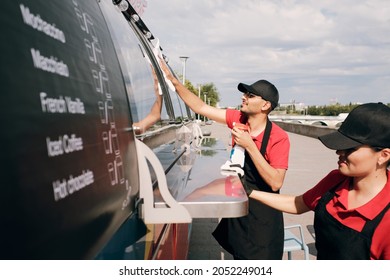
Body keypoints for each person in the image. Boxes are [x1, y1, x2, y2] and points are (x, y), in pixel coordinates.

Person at [160, 60, 290, 259]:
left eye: (250, 95)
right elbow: (201, 107)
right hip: (239, 211)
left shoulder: (279, 137)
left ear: (265, 105)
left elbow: (275, 182)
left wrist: (249, 145)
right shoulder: (239, 118)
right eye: (245, 94)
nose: (243, 97)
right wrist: (173, 82)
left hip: (263, 220)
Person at [246, 102, 390, 260]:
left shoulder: (386, 220)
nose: (338, 152)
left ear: (383, 156)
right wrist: (248, 191)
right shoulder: (336, 180)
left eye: (350, 148)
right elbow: (298, 204)